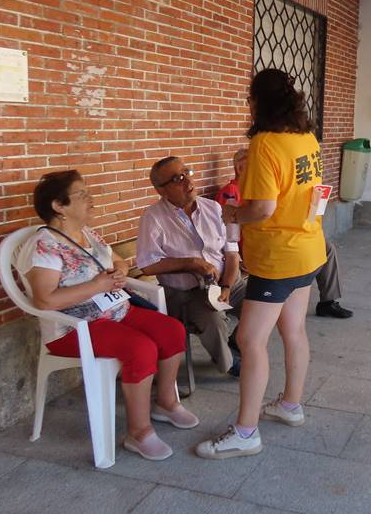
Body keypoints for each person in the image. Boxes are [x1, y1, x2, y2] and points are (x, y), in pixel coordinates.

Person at [18, 170, 198, 462]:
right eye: (82, 195)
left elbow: (117, 261)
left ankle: (165, 402)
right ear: (58, 206)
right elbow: (44, 298)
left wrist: (120, 271)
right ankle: (139, 433)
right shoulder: (45, 245)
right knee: (141, 348)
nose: (91, 199)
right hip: (74, 328)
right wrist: (96, 285)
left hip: (116, 310)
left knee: (172, 330)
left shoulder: (88, 233)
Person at [195, 68, 327, 460]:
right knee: (294, 330)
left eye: (249, 99)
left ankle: (246, 431)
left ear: (259, 103)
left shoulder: (266, 144)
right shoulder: (305, 138)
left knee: (250, 341)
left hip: (278, 257)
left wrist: (231, 214)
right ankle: (290, 404)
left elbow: (263, 208)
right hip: (308, 249)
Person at [136, 156, 244, 377]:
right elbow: (147, 265)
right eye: (178, 179)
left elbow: (232, 254)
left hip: (225, 281)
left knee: (262, 300)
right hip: (186, 294)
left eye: (187, 172)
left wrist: (226, 286)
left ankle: (237, 341)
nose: (188, 182)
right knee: (212, 318)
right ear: (161, 191)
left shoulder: (213, 208)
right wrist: (190, 263)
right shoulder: (154, 217)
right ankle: (228, 362)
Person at [217, 148, 353, 319]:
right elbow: (226, 230)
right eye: (253, 167)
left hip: (283, 235)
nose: (258, 171)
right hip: (257, 245)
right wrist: (240, 255)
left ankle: (328, 301)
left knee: (327, 248)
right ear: (239, 168)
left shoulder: (263, 186)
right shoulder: (230, 190)